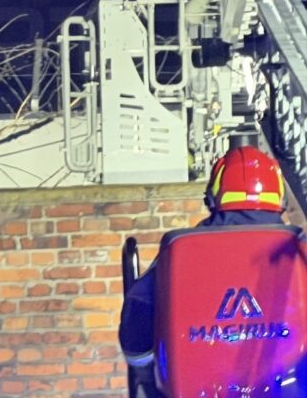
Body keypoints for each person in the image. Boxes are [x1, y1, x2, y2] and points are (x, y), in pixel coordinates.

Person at [118, 145, 293, 388]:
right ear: (279, 195)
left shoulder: (179, 249)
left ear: (214, 194)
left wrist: (144, 370)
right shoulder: (300, 248)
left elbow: (137, 324)